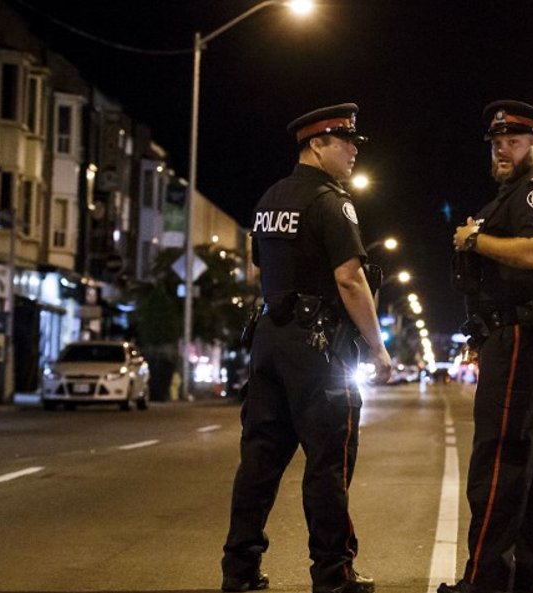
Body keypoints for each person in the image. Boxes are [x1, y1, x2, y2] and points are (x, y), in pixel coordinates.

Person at [221, 103, 392, 593]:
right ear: (317, 144)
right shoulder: (330, 201)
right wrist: (377, 349)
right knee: (327, 466)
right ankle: (333, 576)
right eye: (346, 141)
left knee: (259, 460)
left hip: (270, 340)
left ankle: (240, 569)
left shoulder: (270, 198)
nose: (355, 150)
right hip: (318, 349)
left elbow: (260, 267)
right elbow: (350, 278)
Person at [442, 100, 533, 593]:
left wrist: (475, 241)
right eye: (496, 143)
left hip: (520, 334)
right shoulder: (515, 192)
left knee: (498, 459)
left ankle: (485, 581)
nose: (501, 150)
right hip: (523, 335)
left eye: (512, 142)